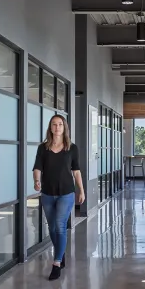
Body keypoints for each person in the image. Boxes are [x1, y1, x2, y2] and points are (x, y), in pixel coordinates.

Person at [33, 115, 85, 280]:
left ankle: (56, 263)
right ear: (50, 127)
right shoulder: (43, 148)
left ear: (64, 127)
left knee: (59, 225)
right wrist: (36, 180)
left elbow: (76, 171)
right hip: (47, 193)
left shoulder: (72, 148)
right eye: (54, 124)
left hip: (66, 193)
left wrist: (81, 190)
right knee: (52, 227)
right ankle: (60, 253)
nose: (57, 127)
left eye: (60, 124)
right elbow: (37, 167)